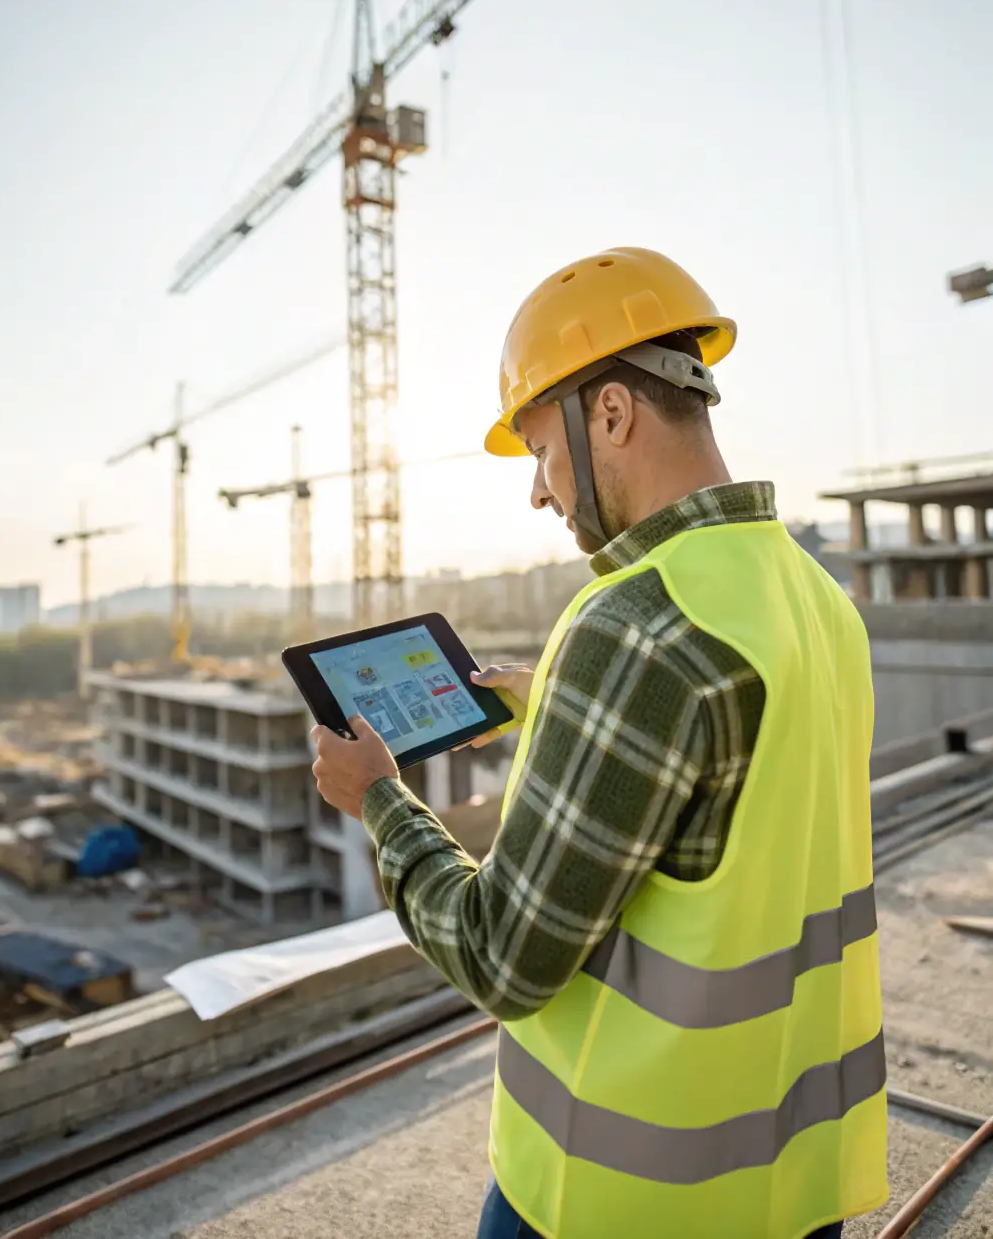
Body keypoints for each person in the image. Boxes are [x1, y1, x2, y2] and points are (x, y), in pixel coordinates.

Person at [311, 247, 888, 1239]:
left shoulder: (629, 624)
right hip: (791, 1177)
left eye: (540, 448)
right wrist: (562, 706)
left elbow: (501, 957)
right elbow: (736, 773)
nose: (539, 491)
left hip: (617, 1197)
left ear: (611, 413)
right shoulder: (810, 594)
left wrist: (380, 800)